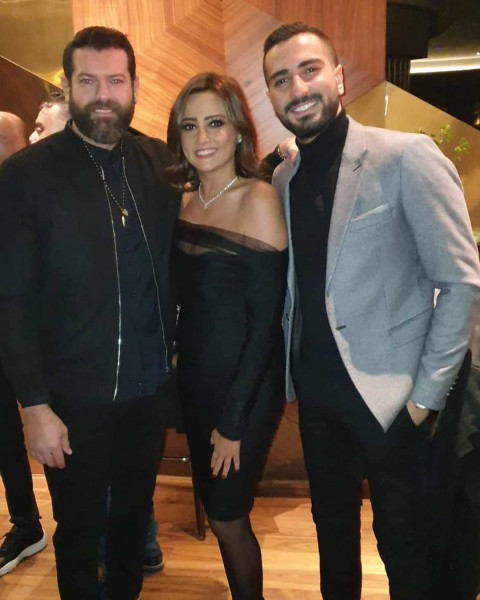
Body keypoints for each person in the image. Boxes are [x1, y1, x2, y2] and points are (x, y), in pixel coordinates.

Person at [262, 21, 480, 600]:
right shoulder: (283, 178)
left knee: (406, 549)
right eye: (281, 79)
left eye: (309, 70)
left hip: (394, 402)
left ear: (337, 76)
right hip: (317, 402)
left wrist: (423, 401)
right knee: (332, 542)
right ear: (272, 96)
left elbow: (461, 282)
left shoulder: (406, 156)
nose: (297, 87)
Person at [0, 26, 180, 600]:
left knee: (130, 526)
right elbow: (11, 298)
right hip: (71, 400)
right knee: (78, 532)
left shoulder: (159, 163)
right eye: (88, 81)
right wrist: (34, 405)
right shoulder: (24, 176)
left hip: (147, 394)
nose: (104, 94)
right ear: (67, 85)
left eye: (115, 81)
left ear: (134, 87)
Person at [166, 72, 287, 600]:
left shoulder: (258, 197)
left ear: (238, 129)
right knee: (217, 511)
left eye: (215, 122)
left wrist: (234, 422)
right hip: (196, 381)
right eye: (190, 125)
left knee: (227, 515)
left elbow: (264, 326)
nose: (202, 137)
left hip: (245, 389)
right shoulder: (184, 199)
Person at [0, 113, 47, 577]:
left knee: (62, 429)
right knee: (4, 434)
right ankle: (26, 524)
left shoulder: (41, 192)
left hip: (45, 338)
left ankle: (86, 527)